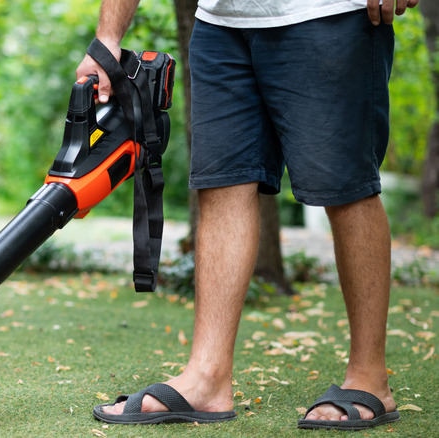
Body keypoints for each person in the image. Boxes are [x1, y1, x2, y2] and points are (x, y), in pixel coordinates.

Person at [77, 0, 419, 431]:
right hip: (220, 24)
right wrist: (107, 38)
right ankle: (206, 377)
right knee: (221, 186)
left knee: (347, 189)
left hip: (328, 16)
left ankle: (370, 378)